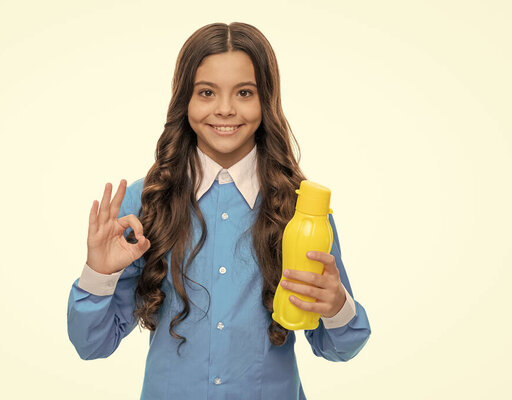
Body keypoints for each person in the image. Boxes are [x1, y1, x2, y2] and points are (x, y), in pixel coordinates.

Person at [67, 22, 371, 400]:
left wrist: (337, 306)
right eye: (207, 92)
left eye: (244, 92)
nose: (225, 109)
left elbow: (339, 347)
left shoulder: (299, 208)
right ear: (185, 101)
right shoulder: (144, 201)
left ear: (267, 101)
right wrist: (98, 273)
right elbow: (91, 345)